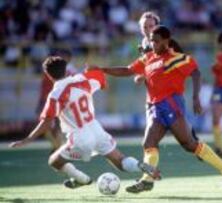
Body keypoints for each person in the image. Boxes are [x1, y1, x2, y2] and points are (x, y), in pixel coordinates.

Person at [88, 25, 222, 193]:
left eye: (157, 41)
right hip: (154, 107)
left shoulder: (176, 58)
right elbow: (127, 70)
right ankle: (147, 179)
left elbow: (195, 73)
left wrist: (196, 97)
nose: (153, 44)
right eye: (152, 40)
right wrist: (102, 70)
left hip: (171, 105)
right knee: (148, 143)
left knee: (189, 145)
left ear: (166, 41)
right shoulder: (148, 58)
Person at [9, 56, 161, 189]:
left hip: (80, 137)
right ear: (66, 69)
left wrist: (28, 139)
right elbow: (101, 79)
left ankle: (82, 179)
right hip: (96, 130)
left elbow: (47, 123)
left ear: (48, 75)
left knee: (54, 161)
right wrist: (95, 69)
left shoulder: (55, 94)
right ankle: (140, 166)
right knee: (121, 161)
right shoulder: (83, 79)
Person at [36, 49, 77, 152]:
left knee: (53, 126)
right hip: (50, 99)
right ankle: (57, 146)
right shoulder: (61, 68)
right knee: (51, 126)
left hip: (55, 100)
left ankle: (58, 147)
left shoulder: (68, 70)